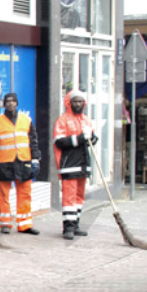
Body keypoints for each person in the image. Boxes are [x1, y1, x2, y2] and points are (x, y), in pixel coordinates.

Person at [0, 92, 41, 235]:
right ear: (4, 104)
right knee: (3, 195)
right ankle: (5, 223)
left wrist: (35, 160)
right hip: (4, 162)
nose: (10, 103)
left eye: (13, 101)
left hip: (23, 161)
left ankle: (25, 225)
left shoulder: (26, 120)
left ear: (17, 103)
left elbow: (34, 141)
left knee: (25, 193)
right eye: (8, 101)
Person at [53, 89, 96, 240]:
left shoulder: (86, 120)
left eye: (80, 102)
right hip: (69, 164)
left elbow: (91, 141)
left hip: (83, 164)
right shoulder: (63, 120)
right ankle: (68, 227)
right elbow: (59, 141)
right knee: (69, 197)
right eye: (75, 102)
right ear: (69, 103)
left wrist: (92, 137)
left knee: (79, 197)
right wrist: (79, 138)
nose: (78, 104)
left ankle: (76, 224)